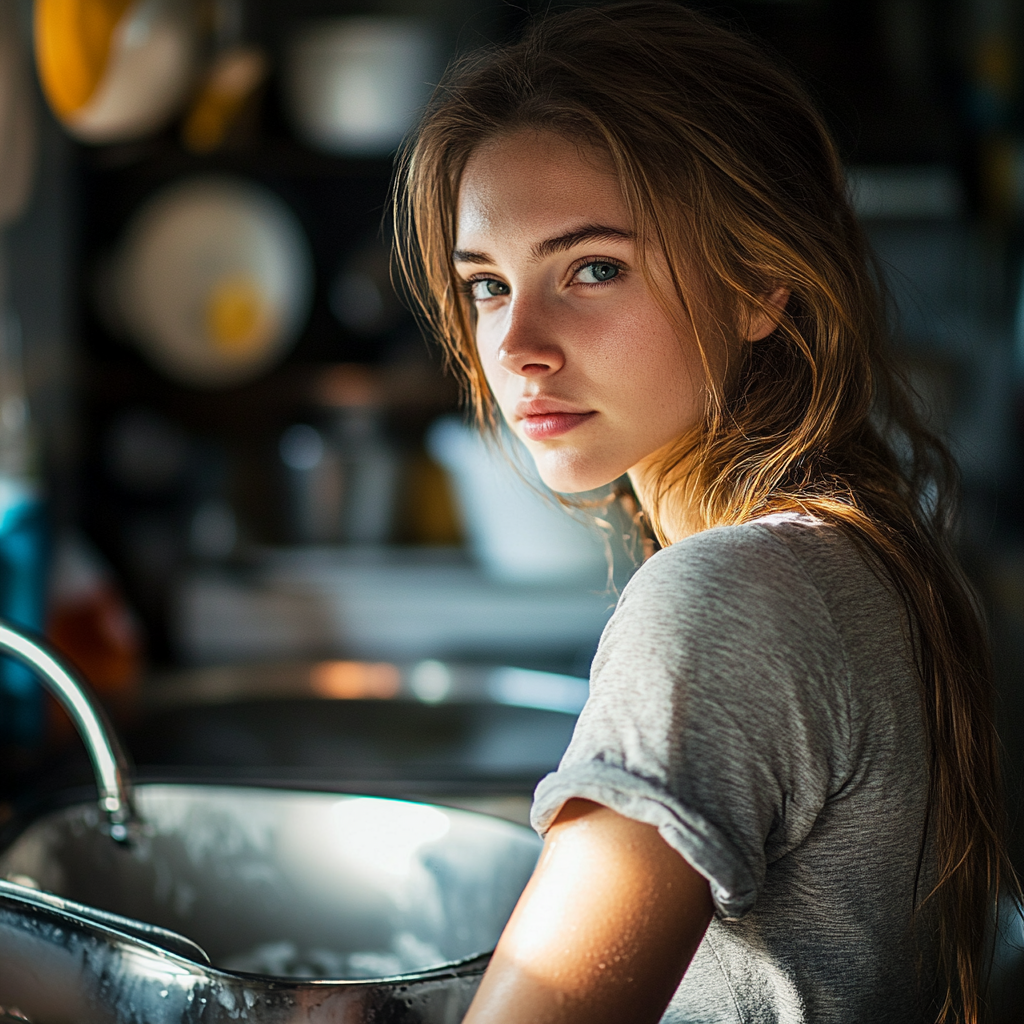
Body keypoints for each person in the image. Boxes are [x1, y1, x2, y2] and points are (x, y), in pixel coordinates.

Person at [393, 4, 1014, 1022]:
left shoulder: (723, 598)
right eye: (488, 284)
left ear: (759, 284)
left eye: (592, 268)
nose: (515, 347)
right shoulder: (860, 550)